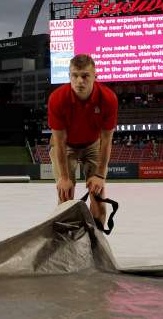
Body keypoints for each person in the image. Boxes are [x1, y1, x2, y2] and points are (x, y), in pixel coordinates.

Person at [47, 54, 117, 228]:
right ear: (69, 76)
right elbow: (59, 142)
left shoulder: (108, 98)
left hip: (93, 144)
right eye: (74, 76)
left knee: (98, 198)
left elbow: (106, 140)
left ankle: (95, 245)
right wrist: (64, 177)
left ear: (95, 77)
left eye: (85, 76)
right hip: (66, 145)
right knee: (66, 197)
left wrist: (99, 175)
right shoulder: (57, 99)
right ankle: (65, 247)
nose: (79, 81)